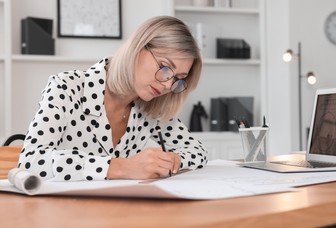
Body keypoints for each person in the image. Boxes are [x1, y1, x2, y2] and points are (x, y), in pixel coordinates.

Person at [17, 16, 208, 181]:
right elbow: (31, 161)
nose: (167, 85)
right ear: (138, 47)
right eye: (165, 67)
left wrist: (172, 160)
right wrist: (122, 167)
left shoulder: (153, 107)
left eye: (178, 79)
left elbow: (198, 152)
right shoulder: (67, 87)